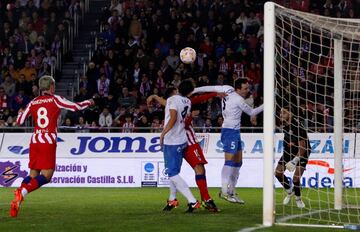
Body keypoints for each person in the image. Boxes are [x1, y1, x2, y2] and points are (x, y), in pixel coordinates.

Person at [10, 75, 94, 217]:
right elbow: (75, 107)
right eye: (53, 86)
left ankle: (18, 197)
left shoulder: (34, 102)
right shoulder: (56, 99)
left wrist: (19, 113)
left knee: (33, 174)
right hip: (47, 141)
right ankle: (21, 192)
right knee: (47, 176)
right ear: (51, 87)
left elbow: (20, 121)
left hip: (35, 140)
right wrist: (89, 102)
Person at [147, 89, 224, 212]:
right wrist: (155, 96)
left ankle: (206, 199)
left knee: (197, 168)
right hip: (179, 139)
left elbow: (198, 99)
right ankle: (173, 199)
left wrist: (214, 94)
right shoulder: (177, 102)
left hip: (187, 140)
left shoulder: (185, 101)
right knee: (174, 171)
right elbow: (166, 103)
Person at [191, 78, 263, 203]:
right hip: (229, 131)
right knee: (229, 161)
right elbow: (252, 112)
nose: (247, 91)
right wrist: (266, 104)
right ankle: (224, 191)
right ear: (238, 89)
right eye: (245, 88)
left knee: (238, 162)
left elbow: (210, 88)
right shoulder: (238, 99)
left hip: (235, 132)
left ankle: (231, 191)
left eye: (248, 88)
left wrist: (195, 90)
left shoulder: (226, 88)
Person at [159, 80, 200, 213]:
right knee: (174, 172)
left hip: (172, 140)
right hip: (182, 139)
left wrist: (163, 134)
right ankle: (172, 200)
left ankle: (192, 201)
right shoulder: (187, 101)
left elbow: (172, 118)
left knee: (172, 173)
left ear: (178, 88)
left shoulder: (172, 99)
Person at [275, 106, 311, 208]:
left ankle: (298, 199)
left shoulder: (297, 127)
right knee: (278, 173)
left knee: (296, 179)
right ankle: (290, 192)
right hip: (289, 150)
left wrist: (294, 161)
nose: (281, 115)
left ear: (290, 114)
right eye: (281, 112)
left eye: (284, 113)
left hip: (302, 152)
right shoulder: (284, 123)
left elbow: (303, 147)